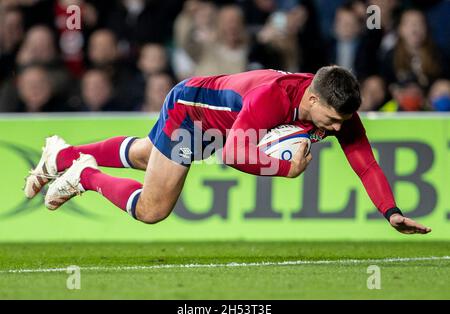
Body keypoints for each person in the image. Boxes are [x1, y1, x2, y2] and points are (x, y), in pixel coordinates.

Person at [24, 66, 431, 235]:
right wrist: (282, 170)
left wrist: (390, 212)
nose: (339, 129)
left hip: (221, 122)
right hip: (193, 112)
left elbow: (365, 164)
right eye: (333, 120)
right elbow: (236, 154)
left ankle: (59, 156)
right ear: (310, 100)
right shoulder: (272, 98)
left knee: (146, 155)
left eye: (344, 121)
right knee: (153, 210)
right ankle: (83, 174)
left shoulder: (335, 107)